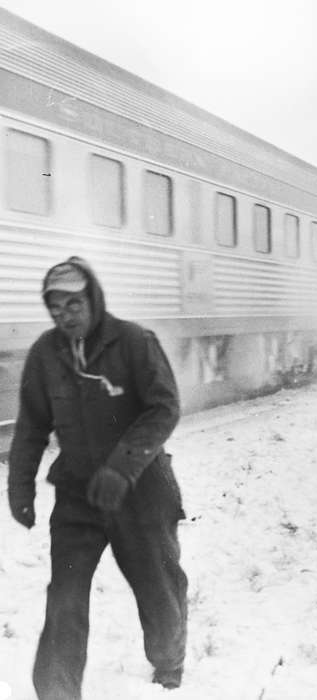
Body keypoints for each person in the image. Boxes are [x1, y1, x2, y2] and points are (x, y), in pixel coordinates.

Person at [7, 257, 188, 697]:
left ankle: (168, 664)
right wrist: (20, 486)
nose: (65, 315)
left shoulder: (134, 342)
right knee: (65, 597)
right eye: (56, 307)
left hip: (141, 489)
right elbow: (32, 425)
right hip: (79, 493)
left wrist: (122, 466)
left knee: (158, 585)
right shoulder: (46, 354)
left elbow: (164, 408)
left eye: (74, 304)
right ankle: (56, 691)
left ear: (93, 299)